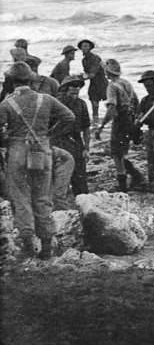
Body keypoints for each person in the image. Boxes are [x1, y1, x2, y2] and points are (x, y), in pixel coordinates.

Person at [1, 62, 74, 257]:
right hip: (42, 150)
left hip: (17, 152)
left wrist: (6, 140)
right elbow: (69, 117)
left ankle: (27, 246)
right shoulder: (46, 99)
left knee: (21, 198)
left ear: (12, 81)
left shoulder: (7, 104)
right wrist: (49, 134)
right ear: (31, 79)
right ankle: (47, 247)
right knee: (43, 197)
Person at [95, 58, 145, 192]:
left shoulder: (112, 86)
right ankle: (136, 176)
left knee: (116, 154)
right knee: (121, 152)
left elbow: (112, 109)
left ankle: (123, 187)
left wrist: (101, 127)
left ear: (107, 72)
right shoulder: (126, 83)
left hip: (121, 121)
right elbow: (137, 102)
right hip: (130, 120)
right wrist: (136, 121)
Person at [54, 75, 91, 198]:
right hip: (59, 140)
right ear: (65, 89)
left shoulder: (82, 104)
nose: (75, 95)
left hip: (76, 141)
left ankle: (82, 200)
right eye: (71, 92)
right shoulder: (56, 103)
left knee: (80, 176)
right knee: (59, 176)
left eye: (77, 91)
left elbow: (86, 127)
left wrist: (86, 148)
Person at [78, 39, 108, 114]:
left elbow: (93, 73)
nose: (84, 48)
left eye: (86, 46)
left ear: (90, 47)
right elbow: (87, 74)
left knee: (110, 104)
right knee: (94, 106)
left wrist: (82, 77)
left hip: (102, 83)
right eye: (83, 46)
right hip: (93, 83)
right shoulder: (84, 60)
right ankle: (95, 121)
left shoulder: (95, 57)